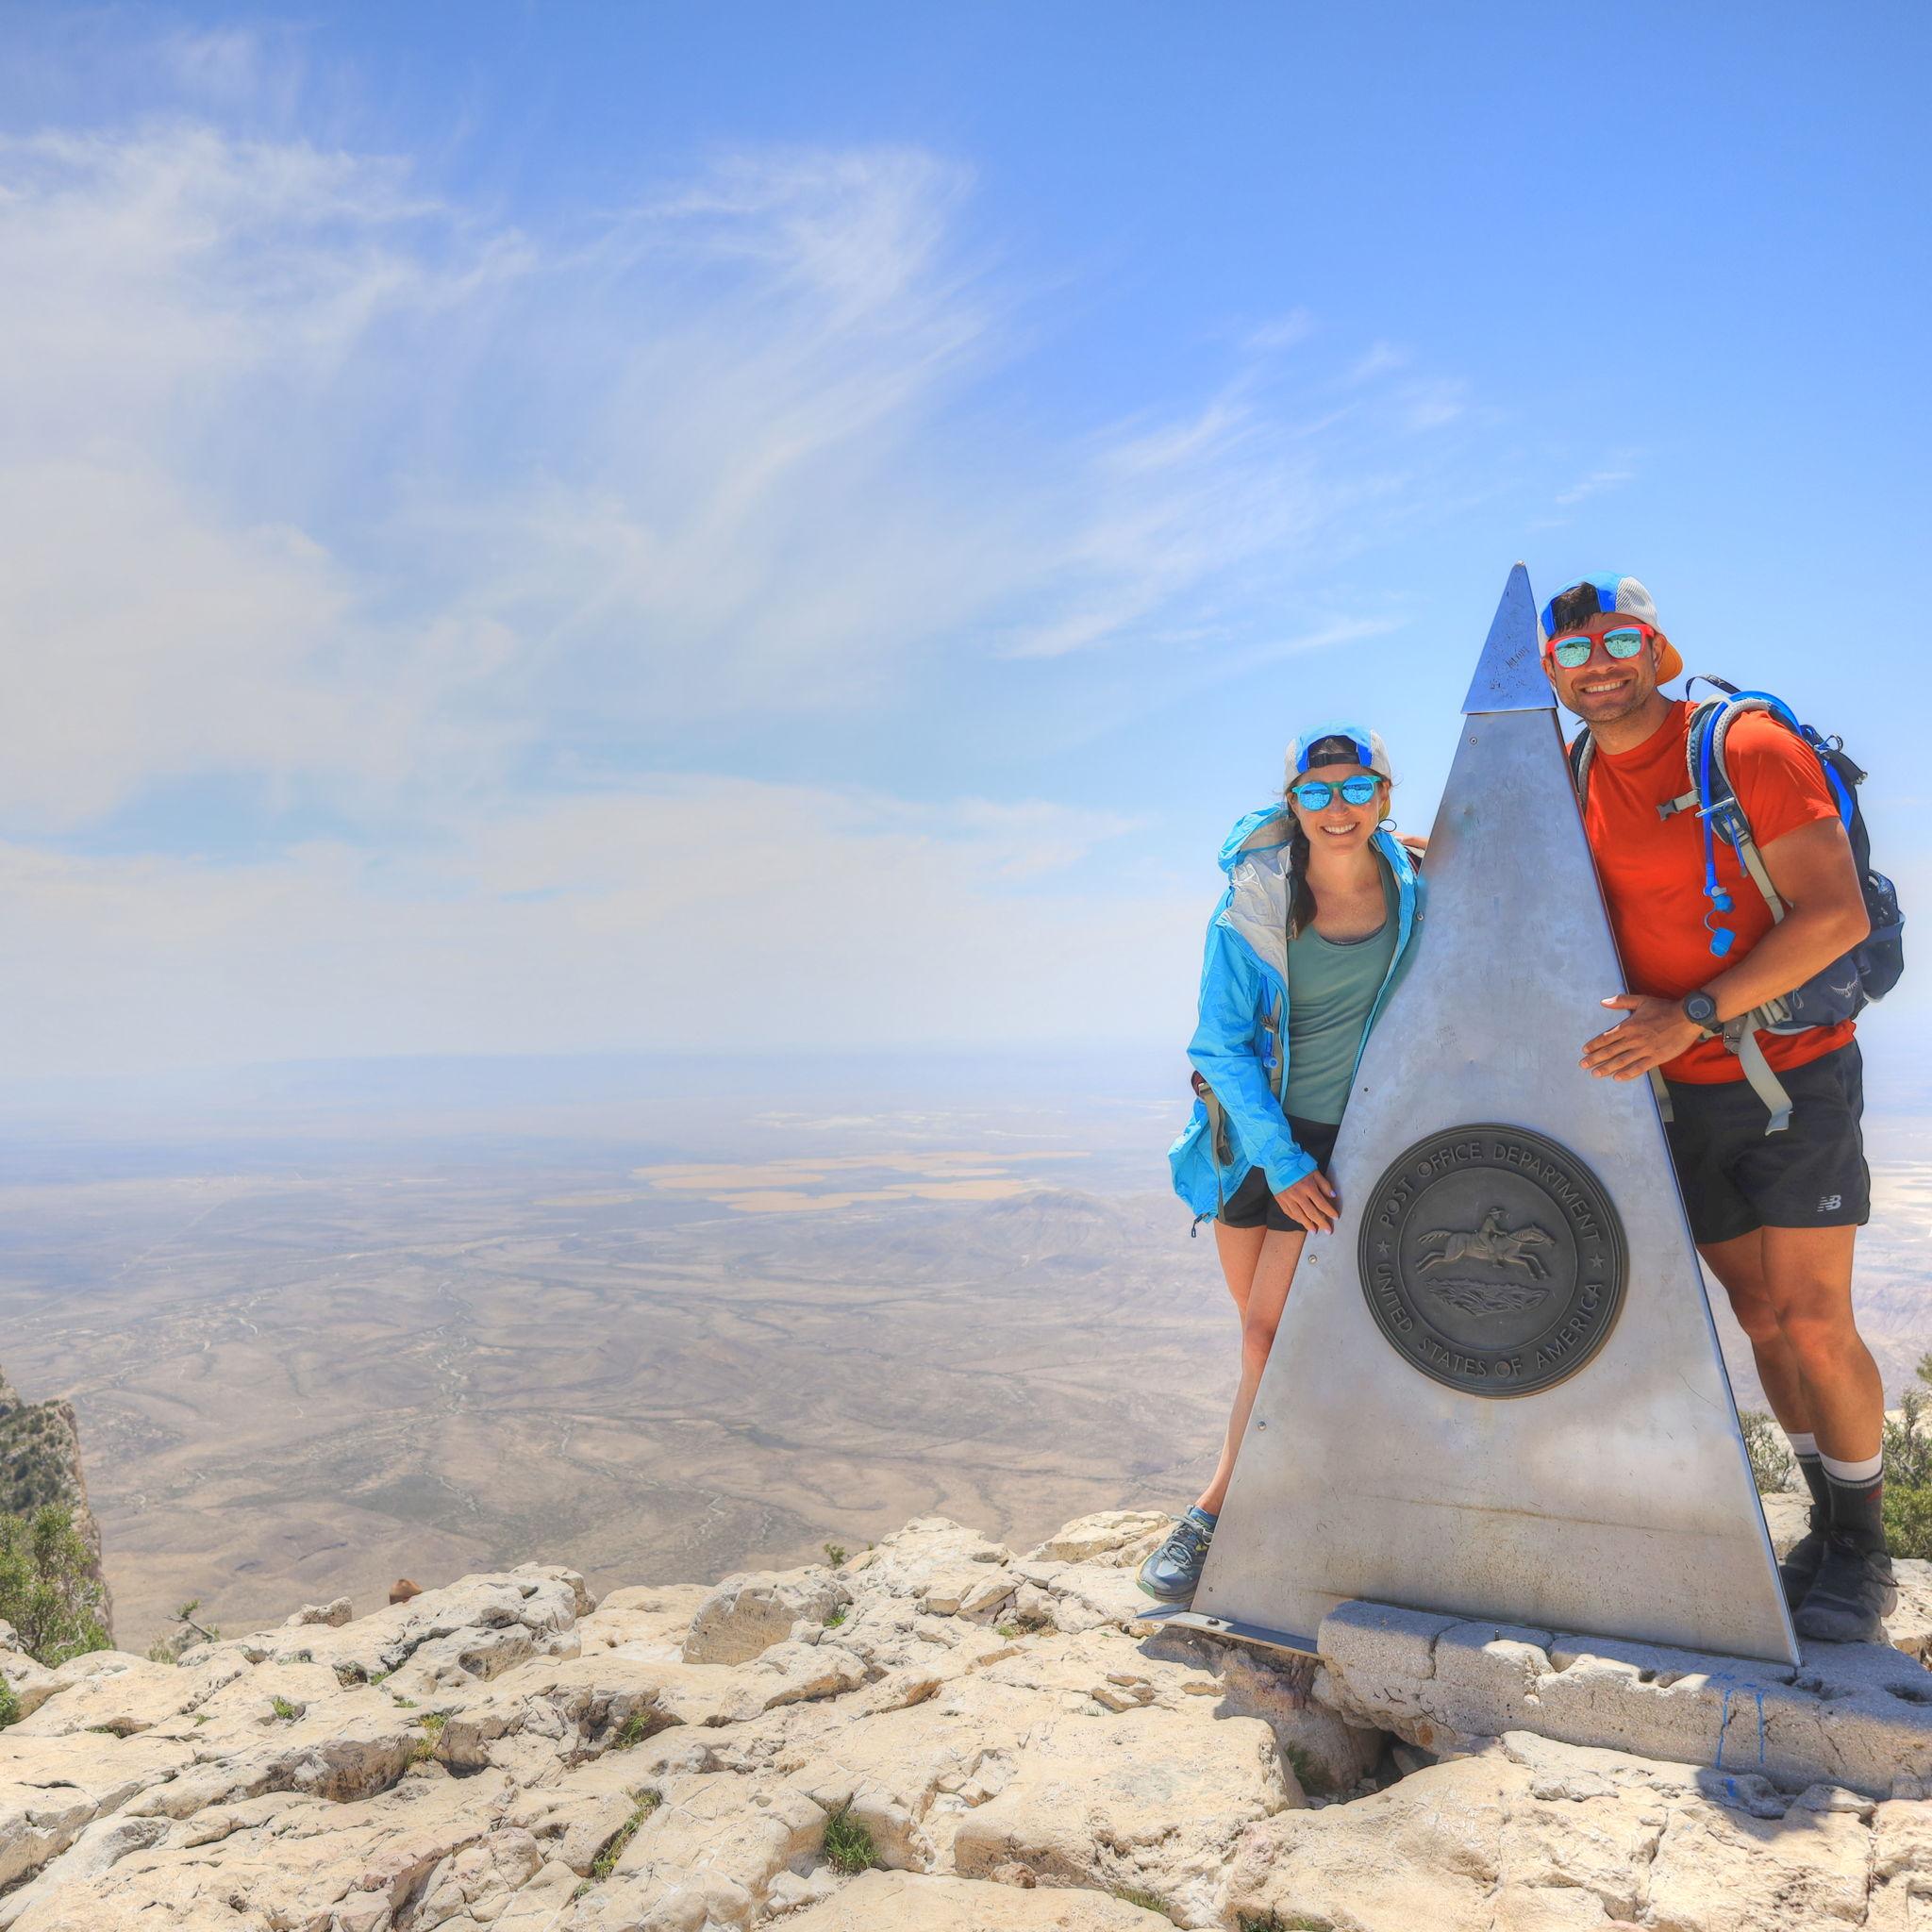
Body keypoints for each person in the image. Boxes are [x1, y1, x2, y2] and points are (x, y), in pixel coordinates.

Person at [1542, 573, 1892, 1642]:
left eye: (1618, 640)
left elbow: (1833, 916)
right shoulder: (1574, 771)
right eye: (1572, 651)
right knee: (1757, 1317)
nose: (1598, 664)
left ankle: (1863, 1549)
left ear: (1657, 648)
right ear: (1552, 674)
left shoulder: (1745, 748)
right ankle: (1822, 1516)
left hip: (1793, 1077)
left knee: (1812, 1317)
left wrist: (1690, 1015)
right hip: (1679, 1094)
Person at [1143, 724, 1423, 1603]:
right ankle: (1299, 1495)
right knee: (1261, 1339)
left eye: (1357, 788)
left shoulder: (1416, 884)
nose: (1338, 808)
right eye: (1317, 791)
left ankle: (1216, 1513)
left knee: (1272, 1337)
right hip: (1258, 1144)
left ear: (1385, 795)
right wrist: (1283, 1159)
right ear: (1292, 803)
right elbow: (1218, 1044)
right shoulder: (1255, 900)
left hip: (1342, 1148)